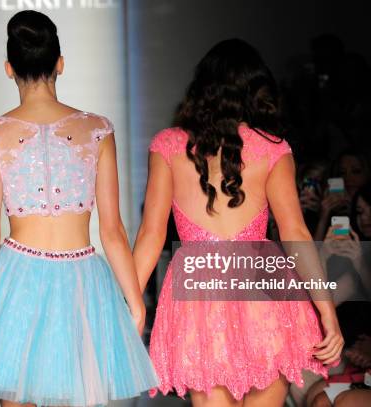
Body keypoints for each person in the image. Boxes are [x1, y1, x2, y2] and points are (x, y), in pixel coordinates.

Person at [0, 10, 157, 407]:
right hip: (83, 282)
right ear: (60, 63)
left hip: (16, 279)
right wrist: (135, 299)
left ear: (9, 68)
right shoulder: (97, 129)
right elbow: (113, 230)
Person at [133, 39, 343, 407]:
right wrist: (326, 309)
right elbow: (295, 233)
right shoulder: (273, 148)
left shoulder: (168, 146)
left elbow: (151, 235)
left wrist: (129, 306)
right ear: (255, 90)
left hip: (199, 298)